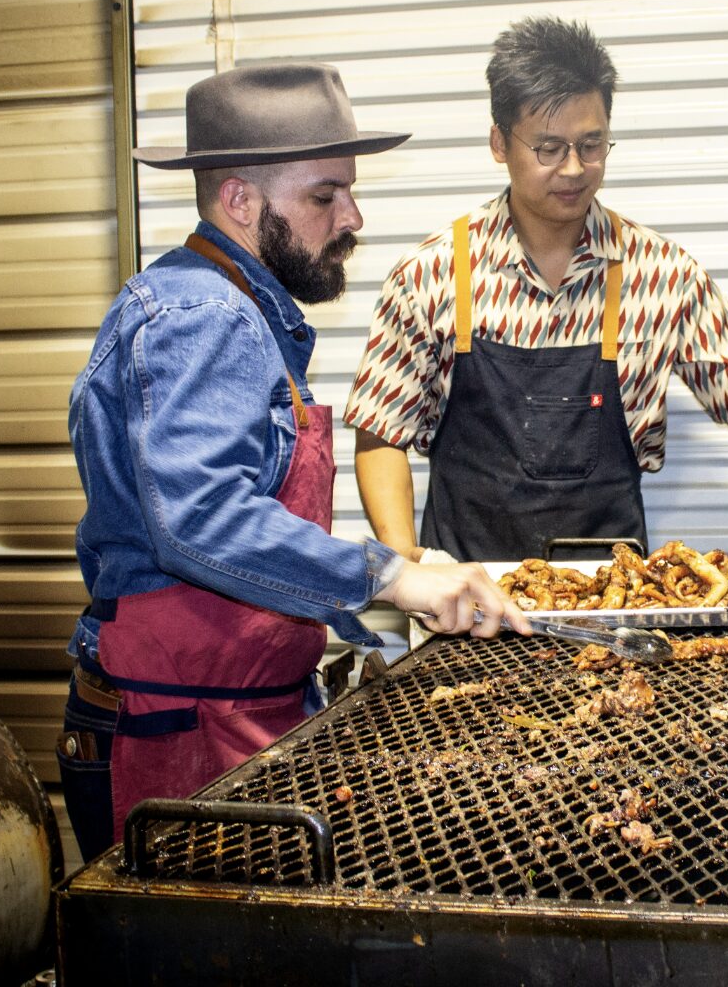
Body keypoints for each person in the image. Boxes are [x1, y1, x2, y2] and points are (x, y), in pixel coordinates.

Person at [57, 62, 529, 861]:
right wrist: (390, 576)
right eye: (324, 196)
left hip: (237, 709)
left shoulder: (239, 310)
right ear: (240, 199)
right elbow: (200, 520)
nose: (353, 215)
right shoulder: (201, 316)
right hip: (174, 730)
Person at [344, 17, 728, 564]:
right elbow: (380, 433)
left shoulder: (663, 274)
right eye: (548, 148)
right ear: (500, 143)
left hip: (615, 602)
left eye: (591, 145)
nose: (573, 168)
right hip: (464, 601)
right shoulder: (430, 275)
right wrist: (406, 564)